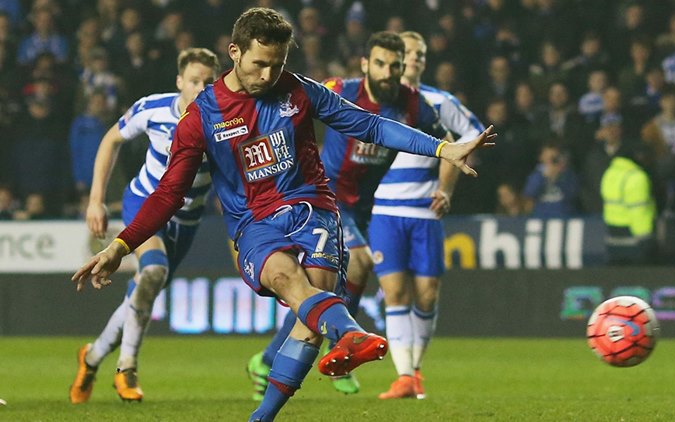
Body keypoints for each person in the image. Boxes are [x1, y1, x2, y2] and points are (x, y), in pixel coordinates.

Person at [71, 8, 495, 422]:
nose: (268, 75)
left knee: (309, 319)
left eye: (277, 64)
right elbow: (168, 193)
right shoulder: (201, 117)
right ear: (235, 52)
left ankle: (264, 415)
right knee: (287, 280)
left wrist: (442, 148)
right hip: (254, 224)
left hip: (314, 209)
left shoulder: (298, 90)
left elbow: (370, 125)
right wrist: (121, 246)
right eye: (259, 64)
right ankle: (349, 332)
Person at [246, 30, 452, 398]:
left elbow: (447, 142)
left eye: (395, 65)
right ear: (365, 64)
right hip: (323, 199)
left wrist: (445, 187)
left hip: (362, 208)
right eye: (380, 64)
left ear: (403, 68)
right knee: (358, 262)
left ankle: (268, 359)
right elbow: (292, 106)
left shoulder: (413, 104)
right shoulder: (340, 89)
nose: (387, 72)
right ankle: (341, 344)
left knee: (319, 289)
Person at [69, 48, 220, 404]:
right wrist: (96, 199)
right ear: (180, 81)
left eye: (208, 82)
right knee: (152, 272)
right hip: (145, 203)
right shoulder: (153, 109)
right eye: (194, 81)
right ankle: (127, 368)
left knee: (143, 290)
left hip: (187, 220)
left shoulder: (225, 121)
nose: (201, 89)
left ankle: (92, 356)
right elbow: (111, 139)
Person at [369, 31, 484, 400]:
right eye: (408, 53)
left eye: (419, 53)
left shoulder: (439, 102)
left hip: (425, 210)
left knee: (427, 295)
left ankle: (414, 370)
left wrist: (446, 189)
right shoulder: (372, 100)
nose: (414, 58)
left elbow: (471, 138)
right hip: (384, 208)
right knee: (394, 292)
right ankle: (405, 376)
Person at [601, 145, 656, 265]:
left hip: (612, 233)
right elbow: (639, 211)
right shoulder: (637, 177)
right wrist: (645, 239)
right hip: (633, 235)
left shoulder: (609, 173)